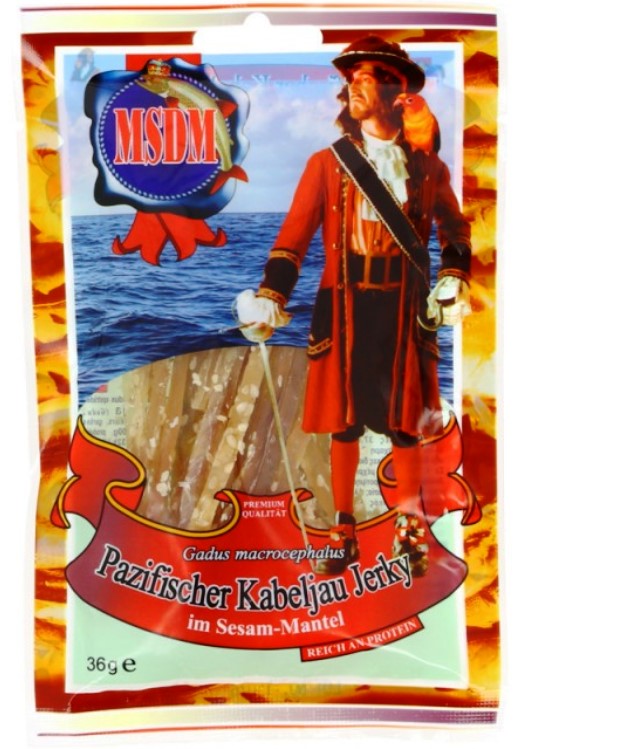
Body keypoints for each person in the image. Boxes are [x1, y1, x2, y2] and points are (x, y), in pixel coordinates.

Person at [235, 36, 472, 576]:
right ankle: (344, 530)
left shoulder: (429, 169)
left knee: (405, 425)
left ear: (396, 93)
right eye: (352, 79)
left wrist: (454, 275)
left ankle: (409, 527)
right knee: (343, 425)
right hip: (342, 308)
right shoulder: (326, 163)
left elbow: (456, 231)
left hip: (404, 308)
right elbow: (293, 238)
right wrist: (271, 295)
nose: (353, 87)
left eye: (367, 77)